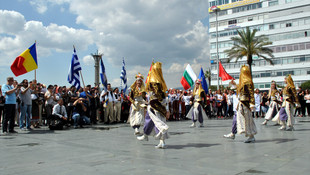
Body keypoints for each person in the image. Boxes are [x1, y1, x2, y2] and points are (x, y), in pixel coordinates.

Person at [137, 62, 169, 149]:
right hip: (153, 105)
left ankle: (162, 141)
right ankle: (146, 135)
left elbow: (160, 96)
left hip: (156, 105)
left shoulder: (155, 82)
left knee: (158, 122)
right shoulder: (161, 82)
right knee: (148, 121)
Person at [230, 65, 257, 143]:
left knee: (248, 120)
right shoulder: (243, 83)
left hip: (245, 104)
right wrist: (235, 84)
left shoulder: (248, 82)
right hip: (241, 103)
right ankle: (234, 132)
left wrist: (252, 104)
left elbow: (251, 93)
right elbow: (239, 89)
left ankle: (251, 136)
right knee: (238, 118)